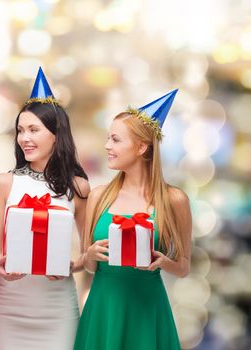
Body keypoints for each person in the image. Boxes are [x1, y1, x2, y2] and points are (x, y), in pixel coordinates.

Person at [74, 89, 191, 350]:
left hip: (148, 309)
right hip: (104, 307)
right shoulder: (98, 196)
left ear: (141, 147)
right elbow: (89, 265)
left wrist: (165, 262)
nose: (107, 146)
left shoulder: (174, 200)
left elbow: (184, 267)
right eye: (108, 138)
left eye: (115, 140)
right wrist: (91, 255)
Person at [0, 68, 90, 350]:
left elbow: (89, 256)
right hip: (9, 308)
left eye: (34, 129)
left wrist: (73, 265)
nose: (24, 138)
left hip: (58, 309)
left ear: (56, 135)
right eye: (20, 130)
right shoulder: (4, 183)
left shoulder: (78, 187)